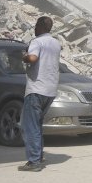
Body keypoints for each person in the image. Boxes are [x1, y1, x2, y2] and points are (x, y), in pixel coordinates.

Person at [20, 15, 61, 172]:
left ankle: (34, 161)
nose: (34, 28)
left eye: (36, 25)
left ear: (41, 26)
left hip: (36, 89)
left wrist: (24, 57)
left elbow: (32, 58)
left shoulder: (37, 42)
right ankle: (39, 155)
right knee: (36, 125)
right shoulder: (56, 43)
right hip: (50, 90)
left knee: (29, 126)